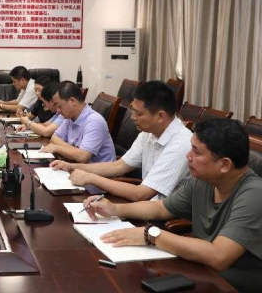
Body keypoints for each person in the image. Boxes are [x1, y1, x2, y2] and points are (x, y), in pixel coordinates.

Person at [83, 119, 262, 292]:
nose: (188, 156)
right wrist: (115, 209)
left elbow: (219, 256)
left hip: (232, 284)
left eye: (196, 152)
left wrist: (151, 235)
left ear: (225, 165)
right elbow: (161, 208)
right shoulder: (204, 181)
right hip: (202, 270)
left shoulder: (255, 194)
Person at [51, 80, 191, 201]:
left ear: (160, 116)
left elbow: (141, 194)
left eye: (138, 113)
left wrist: (91, 178)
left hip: (160, 217)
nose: (132, 117)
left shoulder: (181, 143)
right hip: (145, 207)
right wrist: (70, 166)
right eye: (133, 110)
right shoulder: (148, 134)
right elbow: (119, 166)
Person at [40, 81, 115, 164]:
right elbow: (54, 138)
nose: (58, 110)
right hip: (77, 166)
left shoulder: (94, 121)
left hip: (97, 171)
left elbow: (82, 157)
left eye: (59, 106)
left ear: (72, 101)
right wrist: (74, 151)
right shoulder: (70, 117)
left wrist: (58, 148)